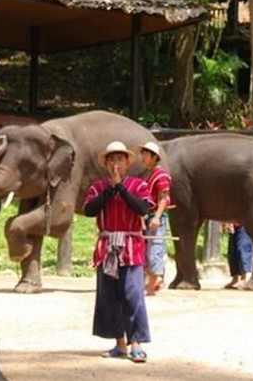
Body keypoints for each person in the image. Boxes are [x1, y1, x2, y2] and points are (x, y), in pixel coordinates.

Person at [83, 141, 153, 363]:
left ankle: (136, 343)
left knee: (132, 293)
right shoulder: (98, 187)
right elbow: (89, 210)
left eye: (120, 159)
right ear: (106, 163)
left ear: (127, 163)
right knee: (109, 296)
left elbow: (142, 208)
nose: (116, 164)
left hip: (131, 248)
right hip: (107, 249)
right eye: (111, 159)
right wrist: (110, 190)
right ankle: (120, 344)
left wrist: (121, 188)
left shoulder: (139, 185)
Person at [138, 141, 171, 296]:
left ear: (154, 157)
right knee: (147, 251)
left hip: (155, 216)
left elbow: (164, 198)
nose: (142, 157)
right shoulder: (150, 174)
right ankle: (153, 282)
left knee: (154, 250)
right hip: (148, 216)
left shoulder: (161, 175)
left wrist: (157, 217)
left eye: (145, 154)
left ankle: (152, 285)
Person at [223, 221, 253, 289]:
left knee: (243, 248)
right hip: (233, 222)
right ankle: (235, 278)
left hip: (244, 223)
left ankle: (246, 277)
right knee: (232, 251)